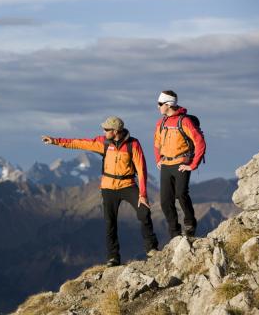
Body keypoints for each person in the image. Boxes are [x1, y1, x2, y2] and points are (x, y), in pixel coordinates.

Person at [42, 116, 158, 267]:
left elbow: (141, 170)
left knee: (144, 212)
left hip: (128, 185)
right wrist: (55, 141)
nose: (103, 131)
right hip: (108, 187)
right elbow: (79, 143)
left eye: (106, 129)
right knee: (110, 223)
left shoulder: (133, 144)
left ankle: (151, 249)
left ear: (116, 131)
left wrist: (143, 194)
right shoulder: (103, 142)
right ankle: (113, 258)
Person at [154, 90, 206, 238]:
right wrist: (158, 159)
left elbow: (199, 142)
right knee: (165, 201)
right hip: (166, 165)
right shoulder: (161, 122)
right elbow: (157, 143)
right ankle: (174, 233)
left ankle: (190, 223)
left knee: (181, 194)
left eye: (160, 104)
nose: (158, 107)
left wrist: (193, 165)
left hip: (181, 164)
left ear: (168, 104)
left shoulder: (185, 121)